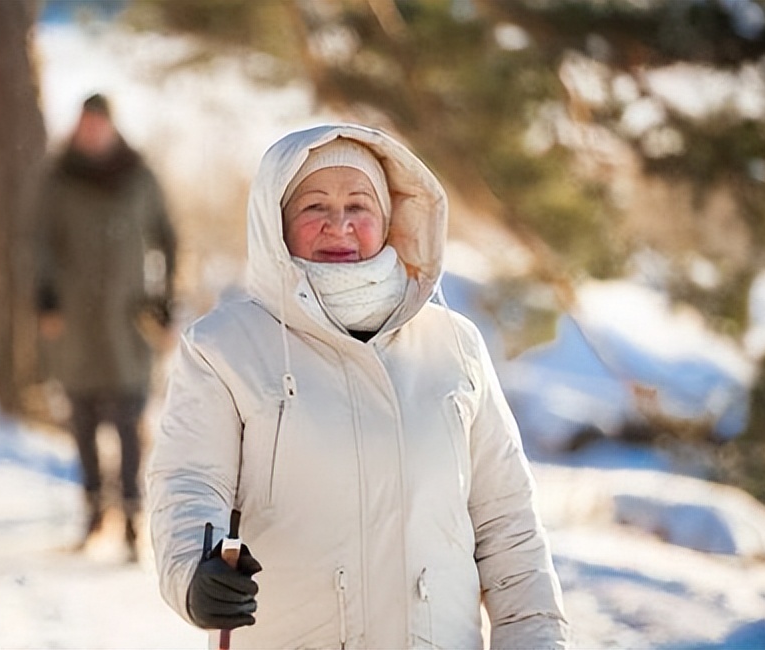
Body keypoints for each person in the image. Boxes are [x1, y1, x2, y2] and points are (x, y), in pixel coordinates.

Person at [147, 124, 568, 648]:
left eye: (358, 206)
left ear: (389, 220)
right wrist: (193, 573)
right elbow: (188, 484)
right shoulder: (224, 348)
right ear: (275, 222)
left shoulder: (453, 345)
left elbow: (507, 523)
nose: (338, 225)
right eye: (313, 207)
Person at [35, 93, 177, 557]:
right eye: (85, 125)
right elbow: (39, 243)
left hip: (127, 321)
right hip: (76, 323)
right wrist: (46, 298)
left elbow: (167, 238)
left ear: (112, 128)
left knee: (129, 420)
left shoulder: (139, 176)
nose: (92, 132)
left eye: (100, 124)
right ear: (78, 128)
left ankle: (134, 520)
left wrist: (165, 300)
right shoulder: (59, 179)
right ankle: (94, 514)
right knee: (81, 421)